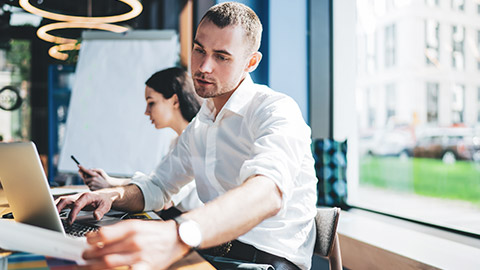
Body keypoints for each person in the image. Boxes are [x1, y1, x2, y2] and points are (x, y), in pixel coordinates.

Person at [56, 2, 317, 270]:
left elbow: (267, 193)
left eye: (222, 57)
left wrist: (179, 234)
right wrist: (114, 195)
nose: (204, 67)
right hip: (213, 255)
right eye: (199, 50)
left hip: (266, 262)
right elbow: (159, 186)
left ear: (251, 62)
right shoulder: (201, 123)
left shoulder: (275, 110)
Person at [77, 67, 203, 212]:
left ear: (174, 101)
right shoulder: (176, 141)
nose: (146, 111)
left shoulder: (196, 141)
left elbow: (163, 198)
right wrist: (109, 182)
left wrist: (109, 188)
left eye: (151, 103)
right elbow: (155, 184)